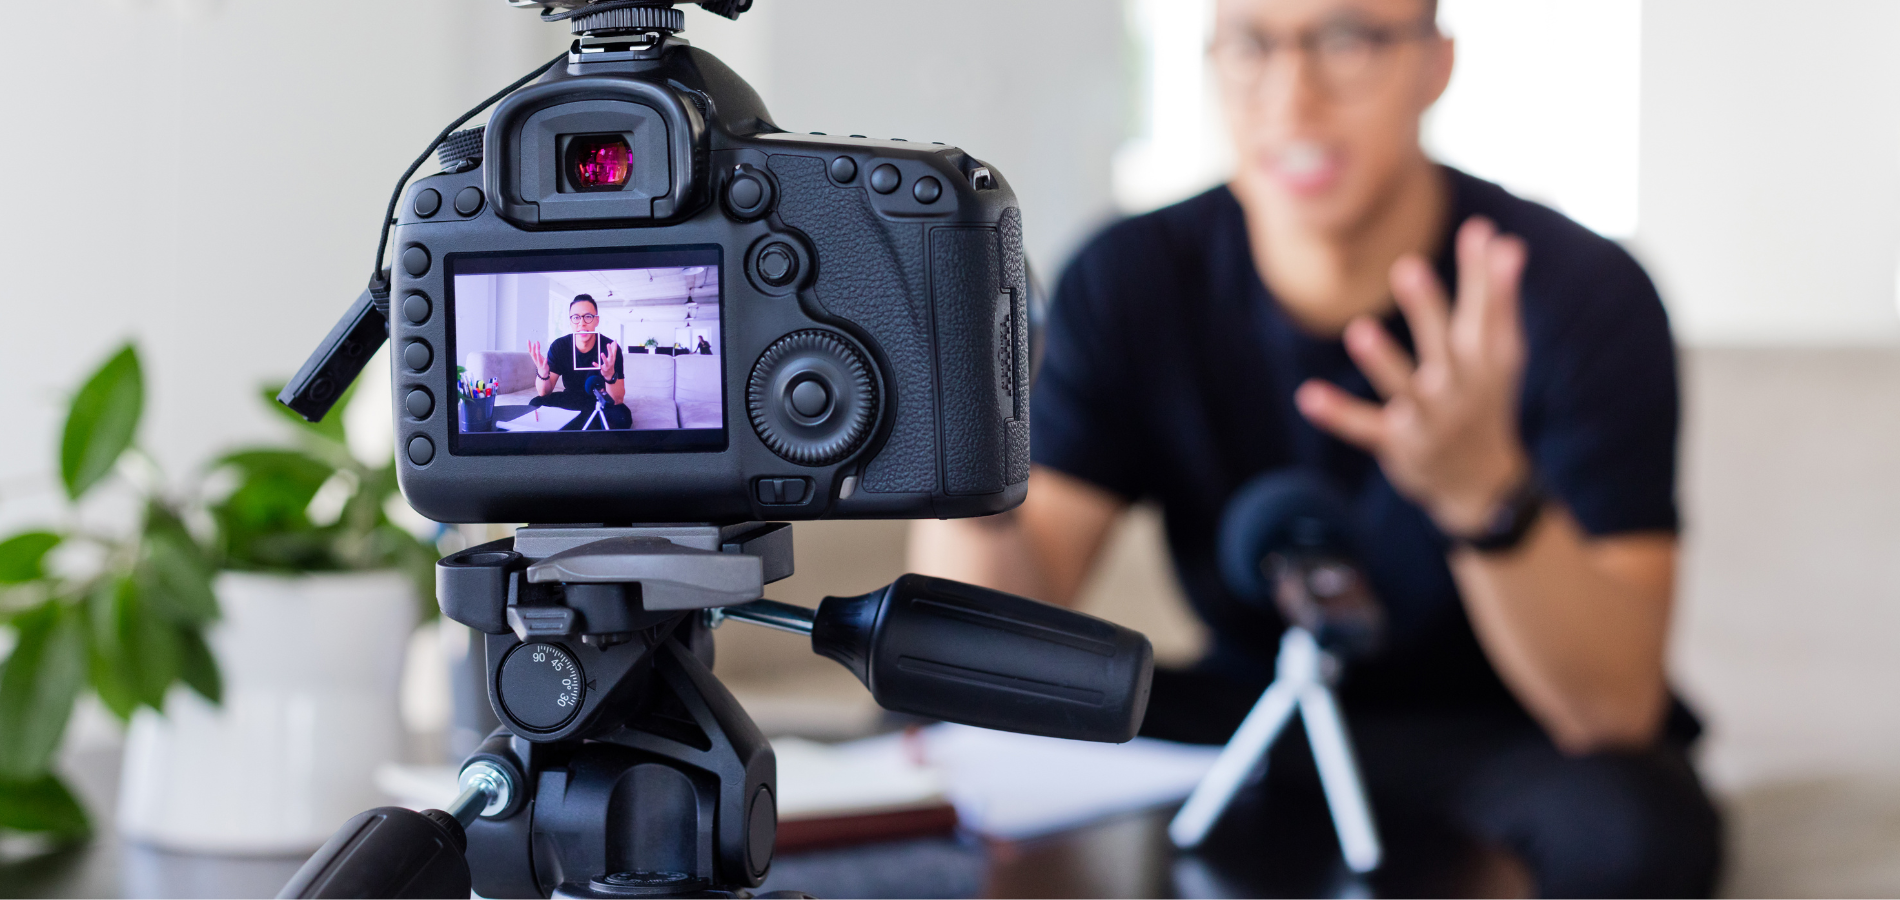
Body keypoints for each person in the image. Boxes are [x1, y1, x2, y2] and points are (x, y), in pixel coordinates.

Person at [909, 0, 1721, 895]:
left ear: (1434, 65)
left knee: (1634, 829)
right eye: (1253, 44)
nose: (1293, 97)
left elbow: (1613, 708)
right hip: (1251, 716)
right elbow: (986, 651)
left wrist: (1486, 492)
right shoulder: (1132, 276)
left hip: (1497, 735)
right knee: (939, 769)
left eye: (1347, 39)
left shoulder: (1579, 292)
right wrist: (961, 444)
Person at [527, 294, 632, 430]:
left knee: (622, 418)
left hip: (600, 400)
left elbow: (617, 400)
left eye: (588, 316)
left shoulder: (610, 348)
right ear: (570, 322)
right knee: (535, 403)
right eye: (576, 317)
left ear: (596, 321)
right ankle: (584, 424)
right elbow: (544, 393)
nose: (581, 323)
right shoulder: (559, 346)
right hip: (570, 398)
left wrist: (609, 376)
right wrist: (543, 373)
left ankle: (577, 424)